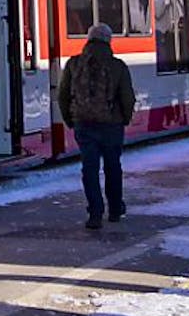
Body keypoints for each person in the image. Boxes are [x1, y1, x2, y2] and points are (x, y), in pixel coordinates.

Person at [58, 22, 136, 230]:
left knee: (89, 169)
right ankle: (115, 210)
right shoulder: (117, 66)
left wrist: (70, 119)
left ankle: (95, 212)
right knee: (113, 167)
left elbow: (63, 95)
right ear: (108, 40)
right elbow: (127, 97)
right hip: (111, 125)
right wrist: (124, 118)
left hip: (84, 124)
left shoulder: (74, 64)